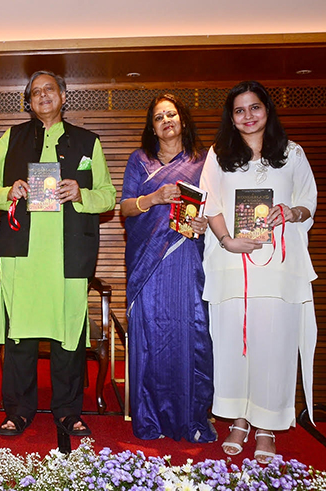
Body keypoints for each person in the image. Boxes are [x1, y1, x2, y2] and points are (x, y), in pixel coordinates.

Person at [0, 71, 116, 442]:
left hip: (68, 256)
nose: (42, 96)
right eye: (35, 92)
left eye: (49, 90)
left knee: (68, 336)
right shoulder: (12, 137)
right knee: (20, 338)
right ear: (28, 101)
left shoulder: (89, 142)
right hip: (21, 256)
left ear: (63, 95)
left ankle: (69, 412)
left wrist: (81, 192)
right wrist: (11, 190)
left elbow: (109, 196)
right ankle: (18, 411)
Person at [200, 81, 317, 464]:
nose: (248, 116)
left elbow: (307, 203)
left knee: (275, 345)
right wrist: (227, 239)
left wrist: (292, 213)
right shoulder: (219, 154)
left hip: (278, 266)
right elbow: (210, 202)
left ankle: (266, 425)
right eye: (239, 110)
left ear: (267, 110)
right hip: (231, 261)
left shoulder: (292, 153)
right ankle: (237, 419)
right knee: (233, 342)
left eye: (255, 108)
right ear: (231, 119)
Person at [120, 94, 216, 442]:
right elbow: (126, 208)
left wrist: (207, 223)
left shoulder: (205, 161)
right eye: (158, 116)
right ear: (152, 126)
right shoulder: (139, 160)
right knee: (149, 336)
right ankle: (150, 420)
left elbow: (217, 206)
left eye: (171, 114)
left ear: (183, 120)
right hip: (147, 263)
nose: (166, 120)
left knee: (189, 333)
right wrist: (154, 198)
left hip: (187, 259)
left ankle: (191, 418)